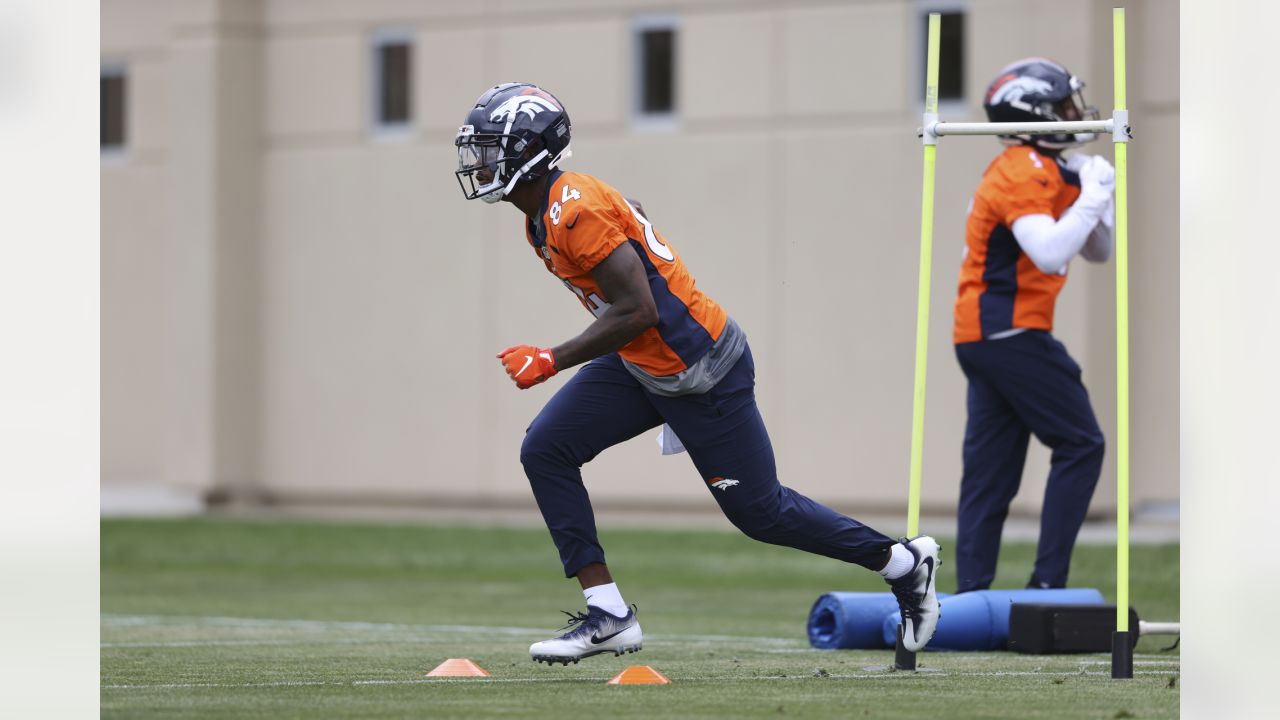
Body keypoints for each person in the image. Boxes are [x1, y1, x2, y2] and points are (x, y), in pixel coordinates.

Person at [454, 82, 940, 665]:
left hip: (700, 370)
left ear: (528, 151)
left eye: (489, 148)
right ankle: (609, 613)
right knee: (546, 448)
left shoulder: (571, 209)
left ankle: (904, 564)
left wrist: (553, 358)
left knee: (763, 513)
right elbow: (633, 244)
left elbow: (640, 309)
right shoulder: (547, 213)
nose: (480, 162)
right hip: (646, 363)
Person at [951, 59, 1115, 593]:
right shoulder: (1022, 168)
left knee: (991, 472)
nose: (1075, 114)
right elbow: (1048, 252)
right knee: (1082, 443)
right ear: (1036, 112)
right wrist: (1091, 195)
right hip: (1010, 330)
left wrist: (1095, 200)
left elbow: (1097, 250)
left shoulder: (1048, 167)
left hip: (987, 334)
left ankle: (973, 594)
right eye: (1064, 105)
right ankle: (1048, 585)